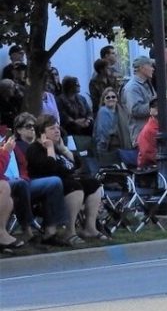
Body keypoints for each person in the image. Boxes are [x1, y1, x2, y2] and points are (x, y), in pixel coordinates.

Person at [26, 114, 107, 244]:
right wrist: (50, 148)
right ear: (42, 132)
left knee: (93, 184)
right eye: (52, 128)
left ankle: (90, 228)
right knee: (75, 186)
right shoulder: (35, 149)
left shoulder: (58, 148)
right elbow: (50, 168)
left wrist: (64, 150)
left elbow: (79, 165)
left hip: (67, 180)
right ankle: (70, 231)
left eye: (58, 128)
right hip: (49, 187)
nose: (57, 131)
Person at [3, 114, 75, 246]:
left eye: (33, 126)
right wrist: (49, 149)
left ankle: (52, 231)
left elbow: (75, 165)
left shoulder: (41, 145)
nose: (32, 129)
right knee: (53, 182)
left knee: (57, 183)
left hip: (27, 180)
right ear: (18, 130)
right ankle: (29, 229)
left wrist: (62, 149)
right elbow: (47, 167)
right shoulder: (18, 145)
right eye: (28, 126)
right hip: (18, 182)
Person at [119, 56, 157, 149]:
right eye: (150, 66)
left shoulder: (147, 84)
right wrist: (156, 107)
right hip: (141, 136)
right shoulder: (132, 87)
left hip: (151, 134)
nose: (153, 69)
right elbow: (135, 110)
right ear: (141, 68)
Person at [93, 88, 122, 164]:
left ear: (117, 99)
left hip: (119, 146)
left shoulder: (120, 111)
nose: (111, 99)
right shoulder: (103, 111)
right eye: (108, 97)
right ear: (103, 100)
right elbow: (103, 133)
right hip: (107, 148)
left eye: (113, 97)